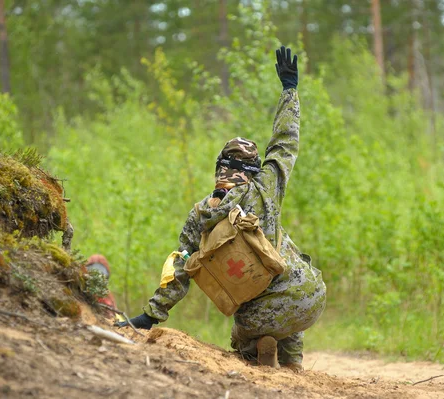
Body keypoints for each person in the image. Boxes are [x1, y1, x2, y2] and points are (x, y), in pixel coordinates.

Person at [118, 46, 326, 372]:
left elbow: (180, 268)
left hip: (260, 316)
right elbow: (285, 140)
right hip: (311, 298)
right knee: (285, 260)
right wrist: (290, 90)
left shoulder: (201, 214)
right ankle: (292, 367)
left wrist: (151, 315)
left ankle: (255, 353)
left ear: (220, 168)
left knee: (246, 332)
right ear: (254, 169)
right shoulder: (266, 186)